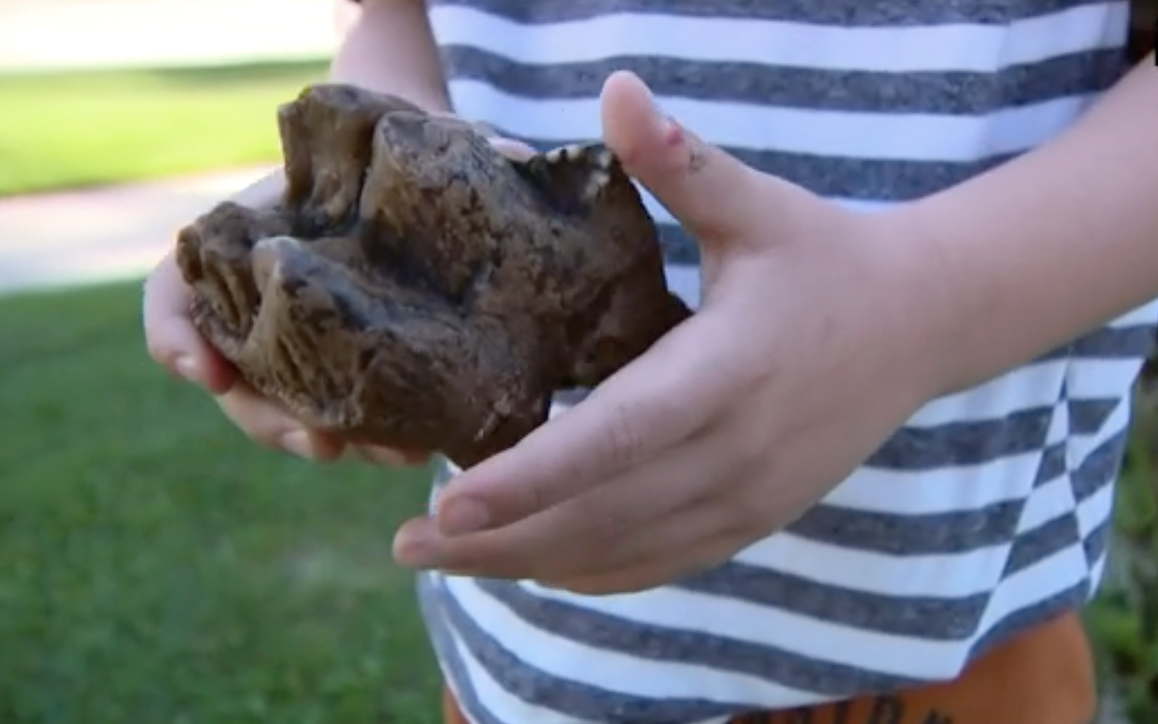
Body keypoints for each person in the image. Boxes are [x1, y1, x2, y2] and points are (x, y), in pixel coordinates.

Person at [142, 0, 1158, 722]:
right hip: (536, 667)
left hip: (954, 653)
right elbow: (395, 15)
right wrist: (351, 194)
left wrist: (920, 312)